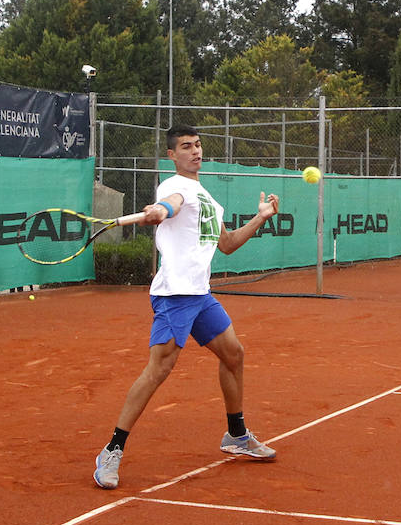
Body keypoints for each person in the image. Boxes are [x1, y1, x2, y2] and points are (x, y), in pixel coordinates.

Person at [94, 124, 280, 490]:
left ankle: (236, 436)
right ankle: (112, 449)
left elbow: (225, 244)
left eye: (197, 145)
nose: (195, 151)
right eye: (185, 146)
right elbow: (171, 203)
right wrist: (161, 211)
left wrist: (260, 217)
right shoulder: (174, 187)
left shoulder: (207, 197)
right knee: (159, 369)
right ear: (172, 155)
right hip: (174, 295)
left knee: (234, 354)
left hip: (200, 294)